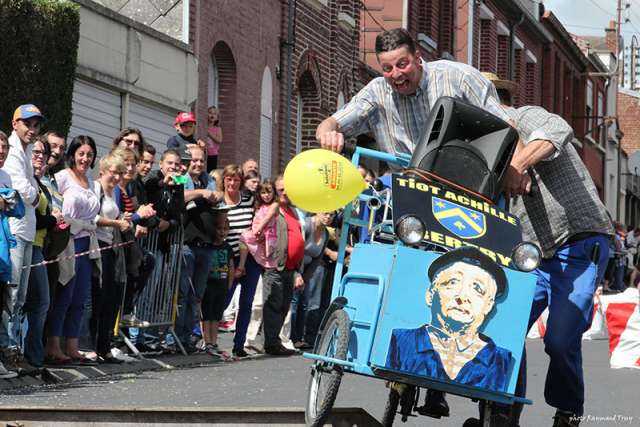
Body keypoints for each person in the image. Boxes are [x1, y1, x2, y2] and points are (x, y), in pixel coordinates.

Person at [468, 73, 615, 427]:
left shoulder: (525, 117)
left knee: (561, 342)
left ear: (497, 105)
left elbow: (558, 128)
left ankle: (568, 411)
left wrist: (518, 164)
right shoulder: (486, 148)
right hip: (531, 255)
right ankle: (504, 407)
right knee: (501, 325)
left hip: (578, 244)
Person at [316, 28, 507, 155]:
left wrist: (514, 166)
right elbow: (331, 123)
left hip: (460, 184)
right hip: (407, 190)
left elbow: (504, 126)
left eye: (402, 64)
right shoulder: (377, 91)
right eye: (387, 68)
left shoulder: (458, 78)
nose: (396, 74)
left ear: (417, 57)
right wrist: (328, 133)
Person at [386, 247, 511, 392]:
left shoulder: (498, 359)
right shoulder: (401, 341)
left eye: (477, 288)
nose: (462, 296)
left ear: (488, 305)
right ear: (430, 294)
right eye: (452, 282)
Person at [46, 135, 101, 366]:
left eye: (89, 155)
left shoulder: (95, 185)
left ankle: (73, 346)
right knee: (64, 295)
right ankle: (52, 345)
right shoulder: (62, 177)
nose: (85, 159)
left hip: (87, 243)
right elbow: (51, 204)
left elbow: (95, 216)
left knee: (80, 298)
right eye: (81, 154)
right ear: (73, 154)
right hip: (67, 241)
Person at [1, 104, 46, 372]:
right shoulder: (13, 153)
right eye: (27, 123)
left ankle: (12, 348)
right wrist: (39, 198)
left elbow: (29, 192)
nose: (32, 129)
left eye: (36, 125)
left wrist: (33, 195)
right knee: (12, 292)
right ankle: (8, 349)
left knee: (20, 297)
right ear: (15, 123)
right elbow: (25, 193)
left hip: (27, 230)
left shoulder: (26, 151)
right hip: (15, 231)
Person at [176, 145, 222, 351]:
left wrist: (215, 194)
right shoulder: (181, 177)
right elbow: (179, 197)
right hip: (187, 244)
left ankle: (189, 338)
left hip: (207, 245)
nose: (198, 164)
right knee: (183, 293)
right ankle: (176, 338)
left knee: (197, 296)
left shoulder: (208, 180)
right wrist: (201, 193)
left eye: (201, 161)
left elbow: (219, 196)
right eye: (194, 160)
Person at [23, 138, 61, 370]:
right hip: (26, 244)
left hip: (39, 247)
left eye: (43, 153)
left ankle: (32, 355)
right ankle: (30, 355)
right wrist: (52, 220)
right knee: (34, 302)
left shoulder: (40, 182)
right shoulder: (25, 180)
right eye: (35, 151)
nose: (39, 156)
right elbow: (33, 218)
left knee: (37, 302)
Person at [91, 153, 131, 364]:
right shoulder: (95, 188)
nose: (116, 177)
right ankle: (94, 346)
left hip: (111, 246)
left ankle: (105, 347)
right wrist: (117, 224)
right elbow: (93, 217)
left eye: (120, 173)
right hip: (96, 246)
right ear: (103, 170)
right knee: (99, 297)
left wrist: (123, 219)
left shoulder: (114, 192)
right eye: (113, 172)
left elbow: (114, 216)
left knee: (111, 299)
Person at [220, 165, 263, 358]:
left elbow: (259, 220)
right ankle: (207, 339)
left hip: (251, 258)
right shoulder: (220, 201)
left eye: (236, 179)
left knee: (246, 302)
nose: (232, 183)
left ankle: (239, 344)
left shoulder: (248, 200)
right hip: (228, 257)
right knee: (223, 298)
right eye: (229, 179)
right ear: (224, 180)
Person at [262, 175, 305, 356]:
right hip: (276, 266)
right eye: (281, 190)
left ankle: (275, 341)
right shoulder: (273, 209)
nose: (285, 193)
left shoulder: (293, 210)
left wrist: (297, 271)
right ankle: (271, 343)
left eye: (288, 189)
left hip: (290, 268)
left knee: (283, 306)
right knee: (273, 305)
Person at [291, 212, 334, 349]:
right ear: (318, 211)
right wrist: (297, 274)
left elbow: (317, 259)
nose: (328, 217)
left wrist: (305, 278)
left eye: (332, 215)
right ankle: (290, 338)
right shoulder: (307, 225)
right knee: (293, 303)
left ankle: (298, 338)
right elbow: (295, 250)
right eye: (326, 213)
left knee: (304, 304)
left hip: (307, 271)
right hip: (293, 266)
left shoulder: (326, 234)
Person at [201, 211, 234, 357]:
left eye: (225, 229)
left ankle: (214, 342)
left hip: (221, 285)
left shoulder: (228, 248)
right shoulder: (208, 247)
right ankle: (206, 341)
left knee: (216, 316)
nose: (222, 232)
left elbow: (231, 267)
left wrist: (229, 286)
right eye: (219, 229)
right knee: (206, 315)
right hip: (209, 285)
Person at [206, 106, 223, 172]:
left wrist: (209, 134)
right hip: (205, 153)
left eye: (214, 114)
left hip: (213, 154)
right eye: (210, 113)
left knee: (211, 172)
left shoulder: (217, 129)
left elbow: (219, 140)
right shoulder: (204, 126)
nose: (212, 115)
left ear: (217, 118)